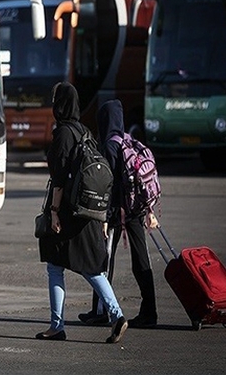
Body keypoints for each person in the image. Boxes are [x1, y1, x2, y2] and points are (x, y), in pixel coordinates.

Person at [36, 82, 128, 343]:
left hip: (67, 213)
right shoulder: (85, 131)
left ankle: (57, 325)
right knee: (91, 269)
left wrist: (54, 212)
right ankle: (117, 314)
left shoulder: (63, 133)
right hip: (89, 211)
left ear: (60, 104)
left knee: (55, 267)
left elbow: (59, 179)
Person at [78, 99, 158, 328]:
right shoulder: (129, 141)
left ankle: (100, 311)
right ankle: (149, 311)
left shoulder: (110, 146)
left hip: (115, 212)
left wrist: (103, 216)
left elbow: (108, 184)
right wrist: (149, 210)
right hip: (135, 209)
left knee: (104, 260)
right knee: (141, 259)